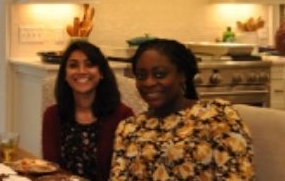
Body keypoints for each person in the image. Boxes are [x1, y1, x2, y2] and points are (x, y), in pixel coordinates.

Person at [109, 39, 255, 180]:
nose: (149, 82)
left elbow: (238, 174)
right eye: (141, 76)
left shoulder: (217, 115)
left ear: (182, 75)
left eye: (160, 74)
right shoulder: (128, 127)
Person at [41, 41, 134, 181]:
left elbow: (127, 172)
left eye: (89, 64)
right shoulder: (52, 115)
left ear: (101, 73)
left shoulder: (123, 116)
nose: (81, 71)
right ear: (65, 75)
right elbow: (51, 170)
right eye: (73, 65)